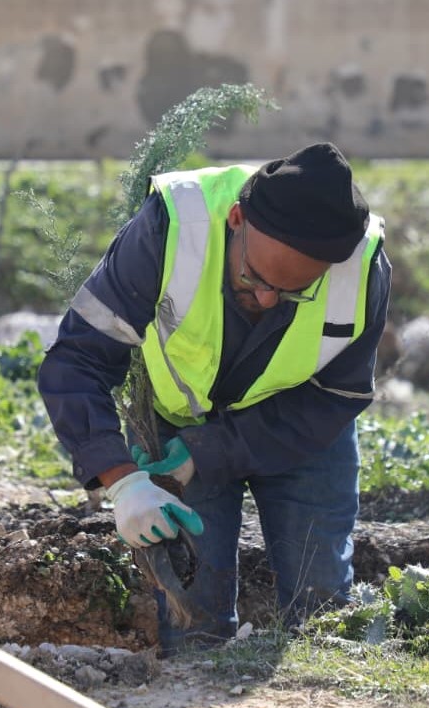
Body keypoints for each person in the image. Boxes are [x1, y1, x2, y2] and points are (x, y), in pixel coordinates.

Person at [37, 142, 392, 653]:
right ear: (236, 219)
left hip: (301, 430)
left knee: (322, 609)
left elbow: (336, 396)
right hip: (181, 420)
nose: (267, 298)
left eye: (292, 292)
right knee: (193, 615)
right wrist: (124, 483)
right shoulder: (172, 227)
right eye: (255, 277)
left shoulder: (362, 265)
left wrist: (210, 453)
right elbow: (77, 361)